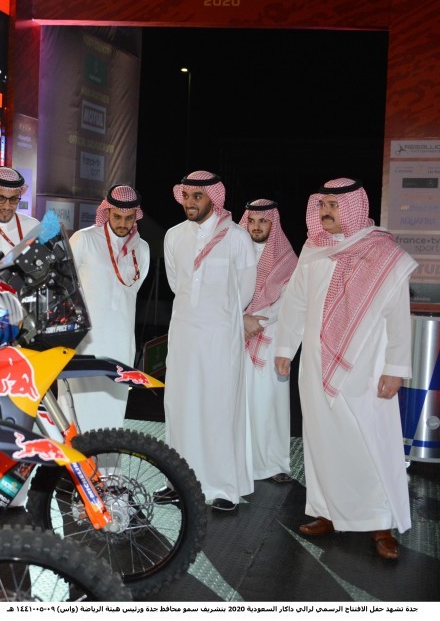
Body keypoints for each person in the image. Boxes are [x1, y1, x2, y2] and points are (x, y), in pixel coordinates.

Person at [274, 178, 416, 560]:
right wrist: (285, 347)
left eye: (334, 206)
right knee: (321, 441)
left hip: (366, 367)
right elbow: (296, 301)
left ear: (353, 207)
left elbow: (398, 316)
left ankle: (380, 523)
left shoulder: (381, 252)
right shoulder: (313, 248)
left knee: (370, 443)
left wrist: (395, 368)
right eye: (322, 205)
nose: (325, 211)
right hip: (314, 364)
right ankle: (328, 511)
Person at [161, 170, 256, 512]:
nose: (190, 202)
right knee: (180, 407)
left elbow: (245, 290)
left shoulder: (237, 238)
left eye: (197, 196)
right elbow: (177, 284)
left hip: (220, 337)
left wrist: (220, 316)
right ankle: (178, 482)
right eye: (186, 196)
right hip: (184, 334)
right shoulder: (174, 236)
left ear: (213, 199)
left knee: (218, 408)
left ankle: (224, 488)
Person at [61, 184, 150, 433]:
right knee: (78, 405)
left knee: (113, 404)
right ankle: (73, 458)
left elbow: (132, 291)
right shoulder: (85, 239)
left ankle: (108, 458)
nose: (123, 223)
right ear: (107, 211)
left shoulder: (142, 249)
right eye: (117, 216)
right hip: (85, 341)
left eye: (129, 218)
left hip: (120, 341)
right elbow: (65, 285)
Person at [239, 199, 298, 483]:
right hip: (236, 333)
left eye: (263, 221)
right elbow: (224, 290)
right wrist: (241, 319)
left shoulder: (287, 259)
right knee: (239, 402)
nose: (256, 226)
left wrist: (257, 321)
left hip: (270, 335)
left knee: (269, 402)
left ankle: (273, 465)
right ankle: (240, 462)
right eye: (251, 221)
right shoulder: (235, 251)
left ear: (273, 224)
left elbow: (291, 299)